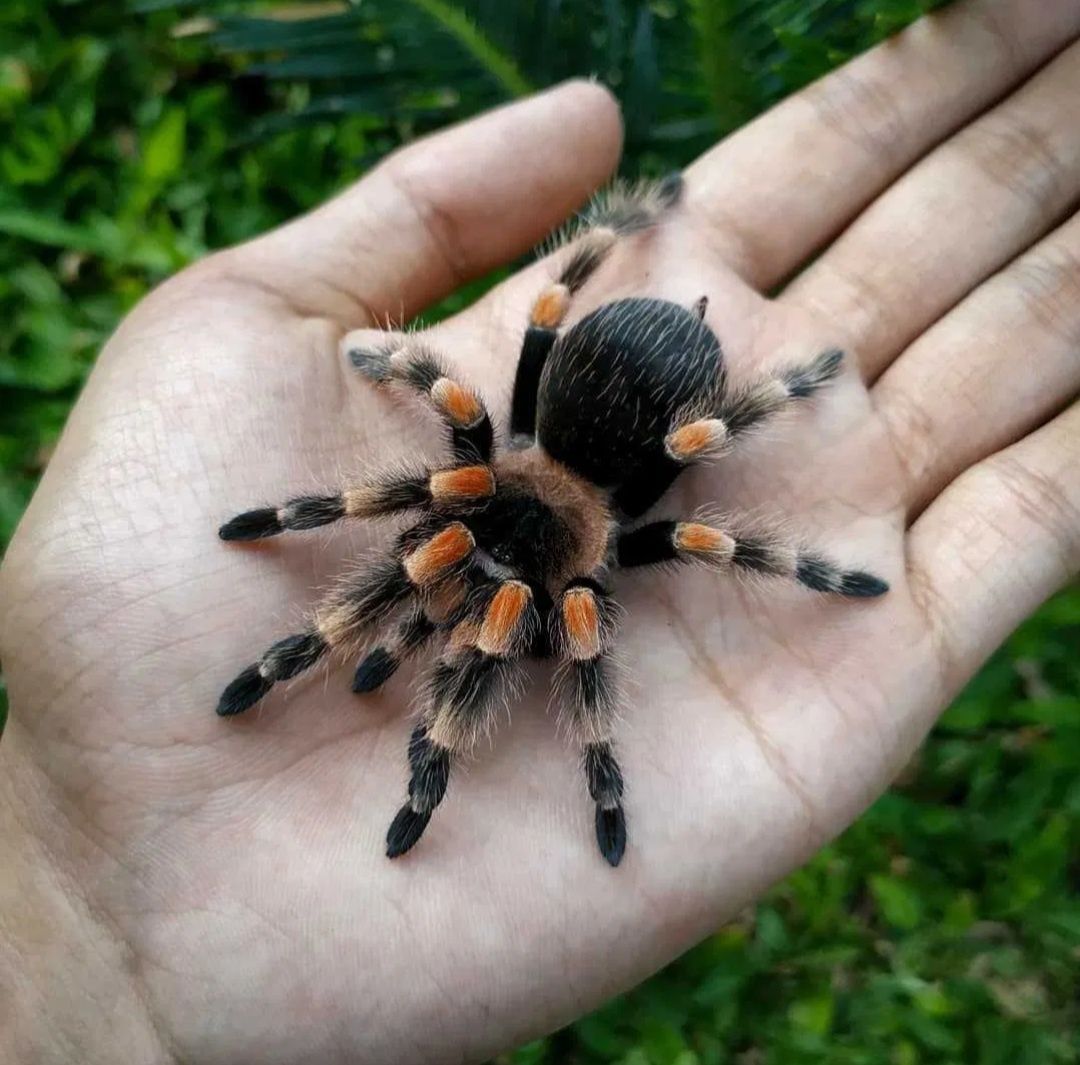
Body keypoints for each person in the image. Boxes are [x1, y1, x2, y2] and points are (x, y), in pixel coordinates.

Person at [2, 1, 1078, 1061]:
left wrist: (788, 452)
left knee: (665, 479)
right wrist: (311, 506)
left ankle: (432, 767)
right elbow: (441, 403)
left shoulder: (545, 547)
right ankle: (297, 666)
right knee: (497, 431)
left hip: (628, 432)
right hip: (561, 438)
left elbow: (662, 513)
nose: (460, 574)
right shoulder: (471, 475)